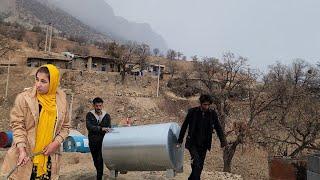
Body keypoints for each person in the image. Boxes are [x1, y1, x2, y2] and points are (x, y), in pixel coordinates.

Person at [1, 64, 70, 180]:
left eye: (43, 81)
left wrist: (56, 143)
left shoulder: (61, 101)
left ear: (52, 82)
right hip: (25, 157)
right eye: (37, 79)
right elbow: (17, 126)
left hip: (49, 158)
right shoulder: (24, 99)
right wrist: (22, 150)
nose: (38, 85)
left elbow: (65, 127)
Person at [177, 94, 227, 180]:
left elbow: (218, 127)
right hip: (192, 143)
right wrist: (180, 140)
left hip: (204, 144)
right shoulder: (192, 112)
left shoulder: (212, 114)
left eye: (208, 105)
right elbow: (184, 126)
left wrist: (223, 141)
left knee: (199, 165)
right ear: (201, 103)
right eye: (205, 104)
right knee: (196, 162)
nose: (206, 106)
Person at [86, 97, 111, 180]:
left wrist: (103, 129)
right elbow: (89, 127)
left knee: (100, 159)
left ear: (102, 105)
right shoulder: (89, 115)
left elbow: (108, 127)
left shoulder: (106, 116)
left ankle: (99, 176)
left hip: (103, 142)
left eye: (100, 106)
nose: (99, 108)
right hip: (93, 142)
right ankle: (99, 173)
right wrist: (101, 129)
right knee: (95, 160)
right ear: (94, 106)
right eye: (97, 106)